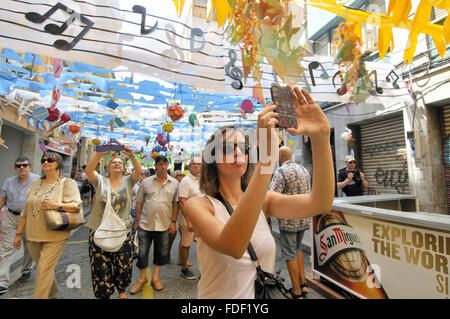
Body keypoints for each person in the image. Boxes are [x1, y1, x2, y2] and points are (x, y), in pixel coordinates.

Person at [183, 87, 334, 298]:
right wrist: (268, 158)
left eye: (243, 148)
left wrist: (321, 137)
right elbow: (234, 246)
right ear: (212, 159)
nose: (237, 152)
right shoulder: (198, 205)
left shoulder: (264, 201)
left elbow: (321, 203)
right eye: (228, 147)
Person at [13, 152, 82, 299]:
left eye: (50, 160)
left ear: (59, 163)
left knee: (43, 270)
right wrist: (19, 233)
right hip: (32, 235)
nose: (46, 162)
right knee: (44, 269)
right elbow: (25, 211)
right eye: (43, 160)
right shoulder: (36, 183)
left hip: (55, 234)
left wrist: (56, 205)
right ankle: (52, 292)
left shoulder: (67, 183)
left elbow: (76, 206)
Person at [84, 146, 142, 299]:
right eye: (113, 162)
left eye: (120, 163)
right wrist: (98, 155)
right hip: (99, 229)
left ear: (123, 168)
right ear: (108, 167)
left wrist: (132, 156)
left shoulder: (128, 182)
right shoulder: (101, 181)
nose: (117, 164)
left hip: (123, 231)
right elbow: (89, 171)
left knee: (123, 265)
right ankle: (104, 294)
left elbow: (138, 171)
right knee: (99, 268)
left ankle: (122, 291)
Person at [130, 155, 179, 294]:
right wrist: (138, 220)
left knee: (161, 252)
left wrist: (174, 222)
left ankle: (155, 278)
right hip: (145, 224)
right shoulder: (146, 182)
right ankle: (142, 278)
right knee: (142, 254)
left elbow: (176, 204)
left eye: (165, 164)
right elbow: (139, 202)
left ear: (168, 165)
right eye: (160, 164)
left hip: (164, 224)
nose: (163, 167)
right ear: (155, 165)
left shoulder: (175, 183)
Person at [269, 146, 311, 299]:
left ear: (281, 156)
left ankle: (296, 291)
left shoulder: (281, 172)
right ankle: (303, 284)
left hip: (288, 220)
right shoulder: (304, 169)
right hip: (304, 217)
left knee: (289, 253)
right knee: (298, 248)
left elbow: (272, 194)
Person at [0, 157, 39, 295]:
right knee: (6, 248)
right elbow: (2, 199)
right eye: (19, 166)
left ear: (30, 166)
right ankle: (2, 281)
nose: (22, 168)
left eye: (24, 165)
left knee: (28, 246)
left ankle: (26, 269)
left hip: (30, 218)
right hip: (10, 217)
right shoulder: (8, 182)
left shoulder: (38, 181)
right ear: (15, 168)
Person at [175, 155, 203, 280]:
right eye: (193, 164)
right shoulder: (186, 181)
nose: (196, 166)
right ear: (190, 166)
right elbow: (182, 201)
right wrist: (189, 221)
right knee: (186, 244)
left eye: (199, 164)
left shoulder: (201, 180)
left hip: (201, 219)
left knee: (203, 245)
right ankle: (184, 268)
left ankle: (204, 269)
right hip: (188, 220)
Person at [167, 170, 184, 262]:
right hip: (173, 213)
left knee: (184, 238)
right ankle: (166, 254)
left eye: (182, 175)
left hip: (183, 214)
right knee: (172, 235)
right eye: (179, 175)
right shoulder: (172, 186)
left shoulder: (184, 186)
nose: (182, 176)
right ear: (174, 177)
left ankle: (181, 259)